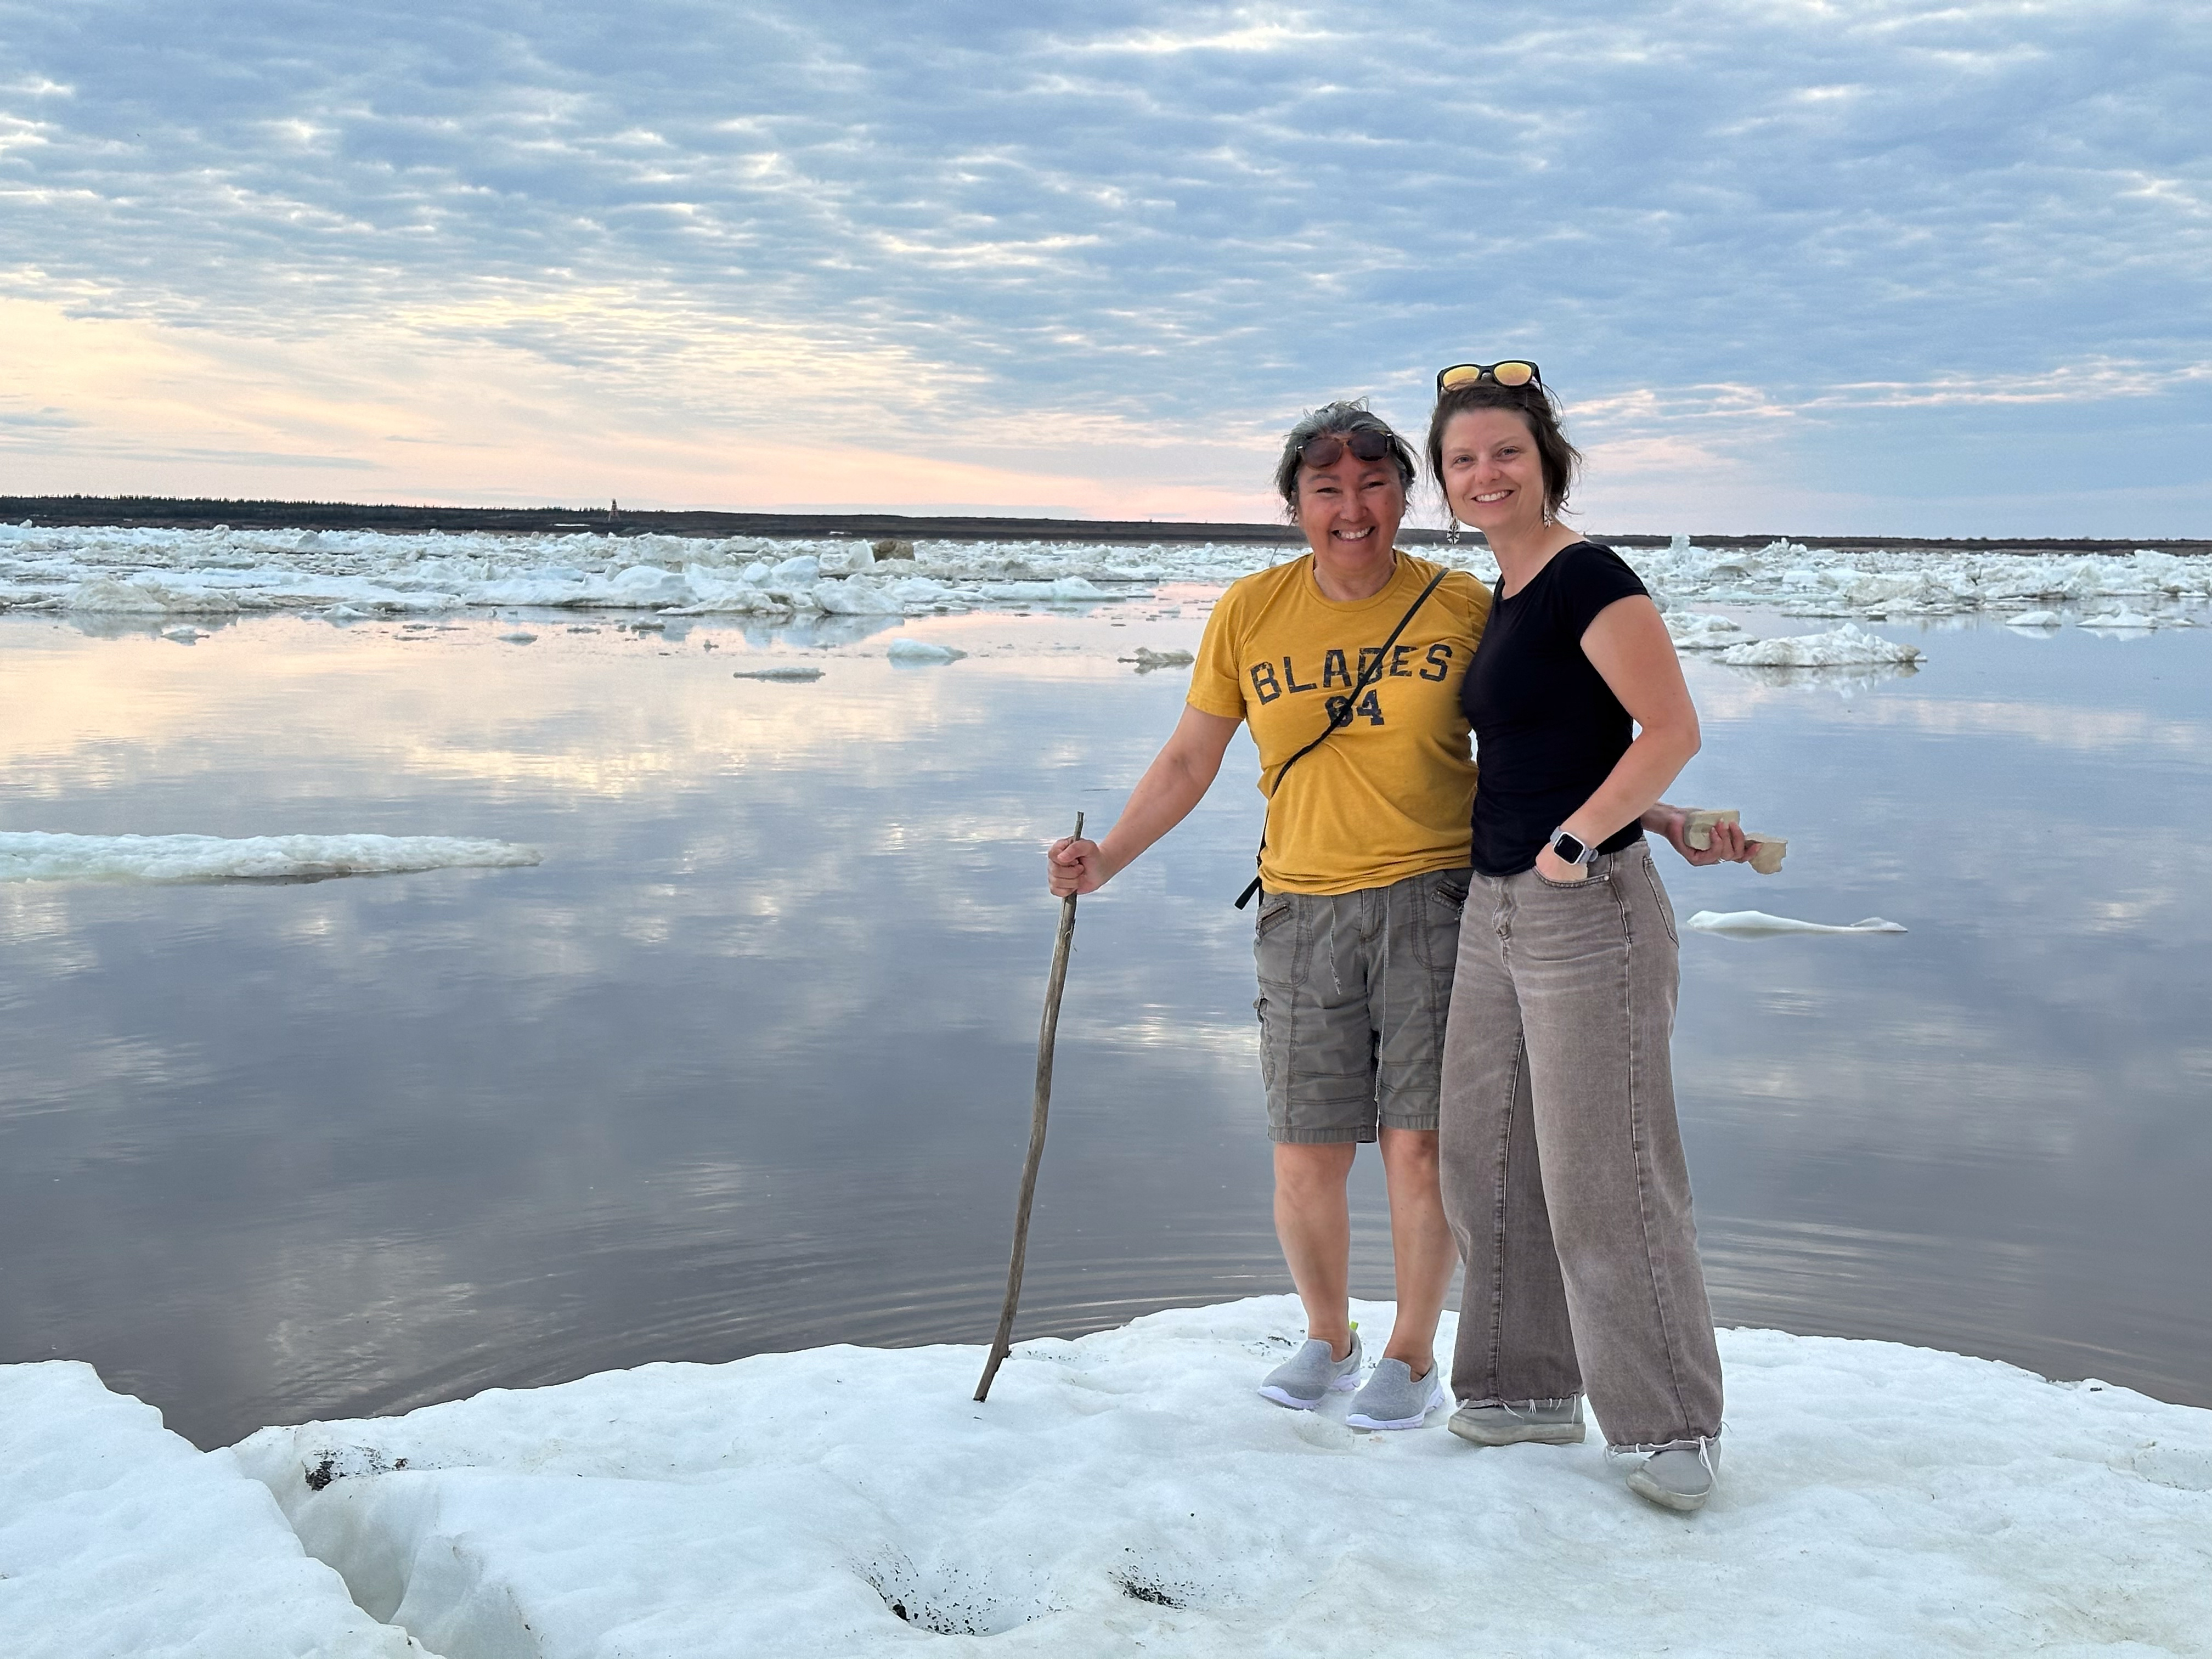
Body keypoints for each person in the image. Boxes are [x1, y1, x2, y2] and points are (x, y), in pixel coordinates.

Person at [1046, 400, 1491, 1431]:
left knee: (1419, 1147)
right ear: (1294, 506)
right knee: (1306, 1149)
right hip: (1300, 909)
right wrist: (1106, 856)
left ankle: (1412, 1353)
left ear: (1405, 497)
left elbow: (1532, 744)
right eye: (1327, 490)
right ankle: (1326, 1336)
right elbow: (1191, 758)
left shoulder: (1461, 605)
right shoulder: (1251, 612)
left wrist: (1634, 816)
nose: (1352, 508)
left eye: (1374, 485)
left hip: (1436, 900)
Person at [1424, 359, 1748, 1513]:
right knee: (1488, 1150)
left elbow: (1671, 726)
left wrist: (1583, 840)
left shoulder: (1583, 576)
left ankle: (1670, 1428)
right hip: (1496, 905)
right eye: (1463, 459)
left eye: (1504, 451)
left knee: (1605, 1169)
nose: (1484, 473)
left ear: (1545, 461)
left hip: (1581, 904)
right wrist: (1636, 812)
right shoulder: (1509, 594)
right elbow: (1575, 742)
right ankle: (1521, 1387)